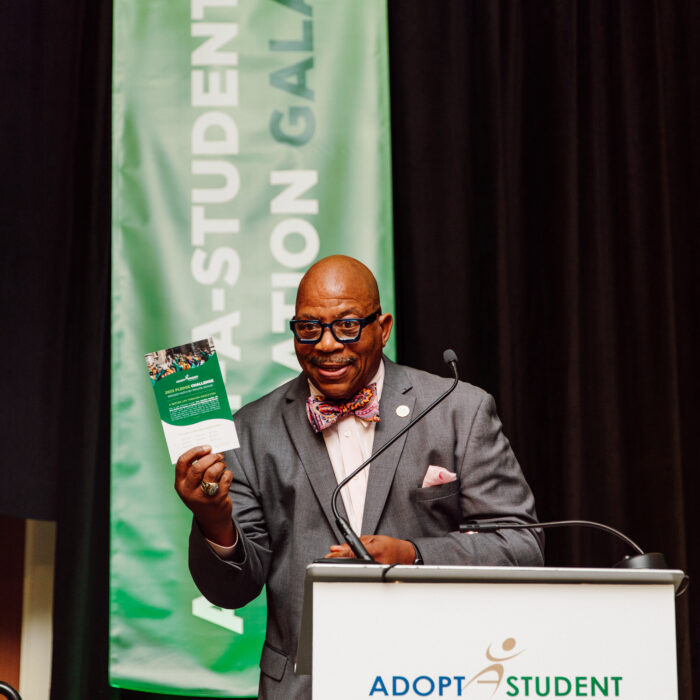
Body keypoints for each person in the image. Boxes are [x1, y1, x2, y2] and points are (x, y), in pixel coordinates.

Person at [175, 255, 543, 699]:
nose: (327, 344)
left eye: (347, 325)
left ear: (382, 327)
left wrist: (413, 555)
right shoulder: (252, 430)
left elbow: (520, 546)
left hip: (439, 679)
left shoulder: (458, 409)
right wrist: (214, 521)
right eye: (309, 328)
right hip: (305, 688)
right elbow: (232, 591)